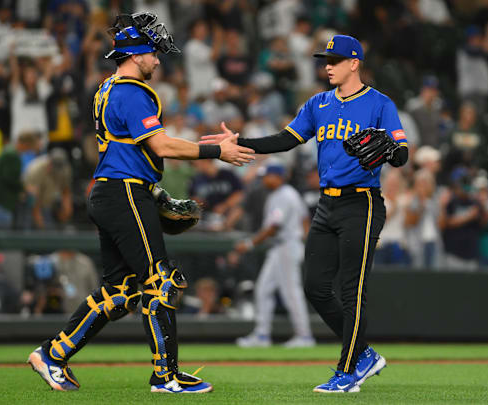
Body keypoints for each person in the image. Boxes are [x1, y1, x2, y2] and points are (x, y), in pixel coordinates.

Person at [26, 12, 253, 394]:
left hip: (114, 191)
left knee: (121, 291)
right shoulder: (132, 92)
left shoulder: (107, 87)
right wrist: (217, 151)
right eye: (154, 53)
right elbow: (161, 145)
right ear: (136, 54)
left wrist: (152, 190)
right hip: (124, 192)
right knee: (161, 282)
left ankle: (52, 354)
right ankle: (166, 377)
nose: (158, 60)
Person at [202, 34, 408, 393]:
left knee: (351, 290)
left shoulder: (379, 103)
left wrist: (391, 149)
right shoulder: (318, 103)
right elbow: (286, 139)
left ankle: (347, 373)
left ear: (354, 63)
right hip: (326, 205)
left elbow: (402, 155)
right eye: (325, 59)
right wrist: (241, 143)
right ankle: (364, 355)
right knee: (314, 286)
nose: (327, 65)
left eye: (335, 60)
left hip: (362, 203)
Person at [233, 162, 315, 348]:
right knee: (263, 290)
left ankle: (304, 336)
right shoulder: (288, 194)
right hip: (282, 247)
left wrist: (249, 243)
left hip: (286, 246)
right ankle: (262, 335)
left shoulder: (283, 195)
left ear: (278, 177)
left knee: (291, 293)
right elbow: (304, 219)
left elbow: (273, 227)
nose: (265, 180)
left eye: (268, 176)